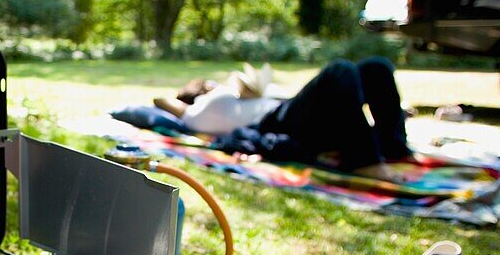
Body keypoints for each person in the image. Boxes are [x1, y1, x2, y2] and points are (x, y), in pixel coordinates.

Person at [156, 57, 412, 176]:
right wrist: (202, 93)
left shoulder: (230, 97)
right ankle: (364, 162)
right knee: (339, 71)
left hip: (295, 113)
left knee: (375, 68)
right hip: (277, 124)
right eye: (208, 83)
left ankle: (393, 146)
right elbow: (161, 102)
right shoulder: (200, 109)